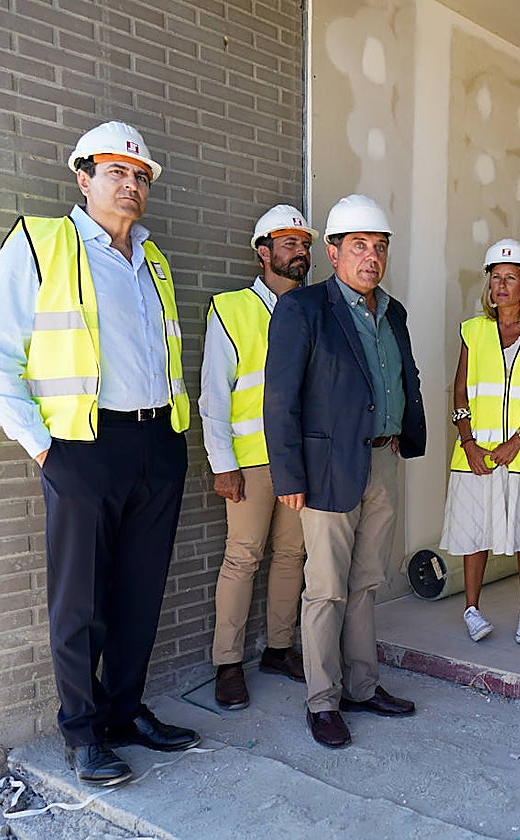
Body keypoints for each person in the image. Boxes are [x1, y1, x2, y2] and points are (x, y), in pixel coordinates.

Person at [0, 122, 200, 787]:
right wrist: (45, 450)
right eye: (116, 171)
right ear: (84, 178)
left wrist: (171, 444)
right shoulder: (41, 244)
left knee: (140, 596)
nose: (131, 184)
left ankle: (124, 713)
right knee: (81, 603)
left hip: (157, 444)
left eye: (141, 175)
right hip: (83, 448)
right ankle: (82, 732)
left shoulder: (153, 260)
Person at [263, 194, 426, 749]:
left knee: (366, 583)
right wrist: (288, 477)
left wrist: (404, 429)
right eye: (359, 246)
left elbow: (402, 377)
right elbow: (280, 399)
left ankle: (362, 685)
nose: (371, 257)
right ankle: (323, 701)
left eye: (379, 247)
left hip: (381, 460)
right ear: (332, 253)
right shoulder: (304, 309)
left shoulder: (393, 312)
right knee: (327, 589)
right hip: (327, 470)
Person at [200, 205, 318, 709]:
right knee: (242, 558)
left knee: (292, 556)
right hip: (250, 462)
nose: (300, 252)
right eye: (289, 243)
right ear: (263, 252)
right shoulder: (231, 309)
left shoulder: (314, 309)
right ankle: (227, 663)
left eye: (305, 244)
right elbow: (214, 393)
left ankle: (278, 648)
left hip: (302, 460)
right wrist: (222, 463)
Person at [441, 239, 520, 644]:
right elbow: (460, 391)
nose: (501, 285)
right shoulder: (473, 331)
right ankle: (472, 610)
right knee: (474, 532)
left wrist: (517, 440)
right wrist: (468, 443)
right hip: (477, 454)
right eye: (495, 278)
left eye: (510, 278)